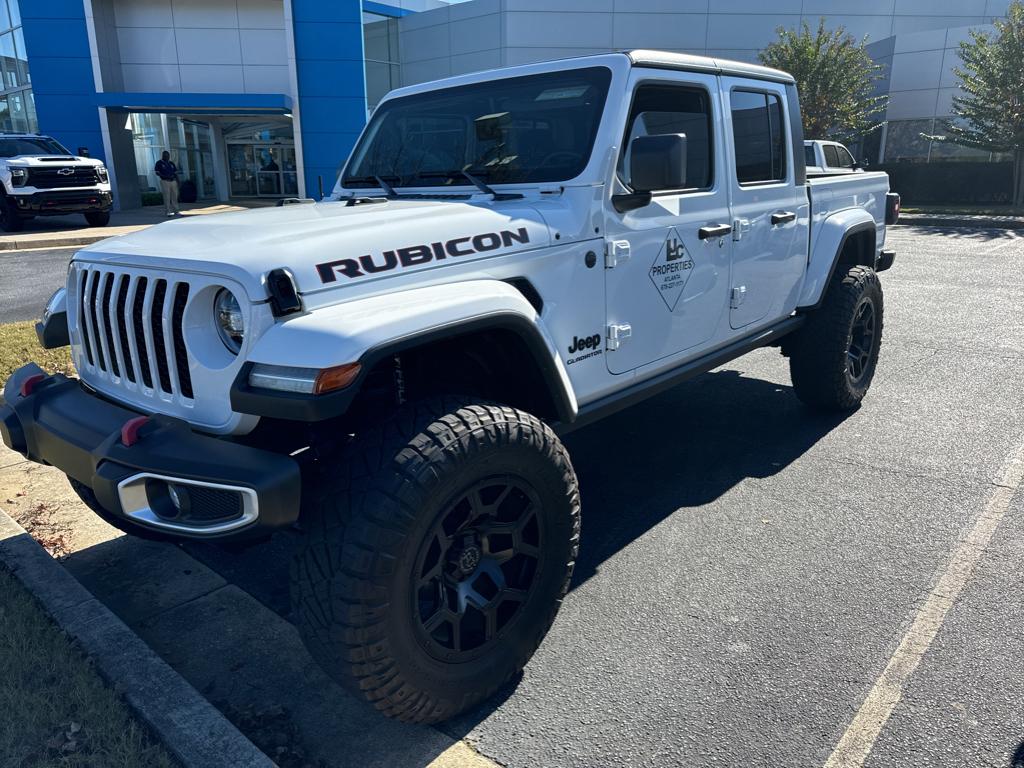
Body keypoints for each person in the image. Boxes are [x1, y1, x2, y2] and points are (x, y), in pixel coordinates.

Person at [155, 151, 180, 216]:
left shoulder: (171, 163)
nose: (167, 157)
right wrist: (165, 176)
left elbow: (175, 173)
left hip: (173, 181)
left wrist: (178, 181)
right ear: (163, 155)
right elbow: (157, 173)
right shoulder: (159, 163)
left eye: (168, 155)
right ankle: (168, 211)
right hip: (165, 181)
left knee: (174, 196)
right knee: (167, 196)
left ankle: (176, 211)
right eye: (165, 155)